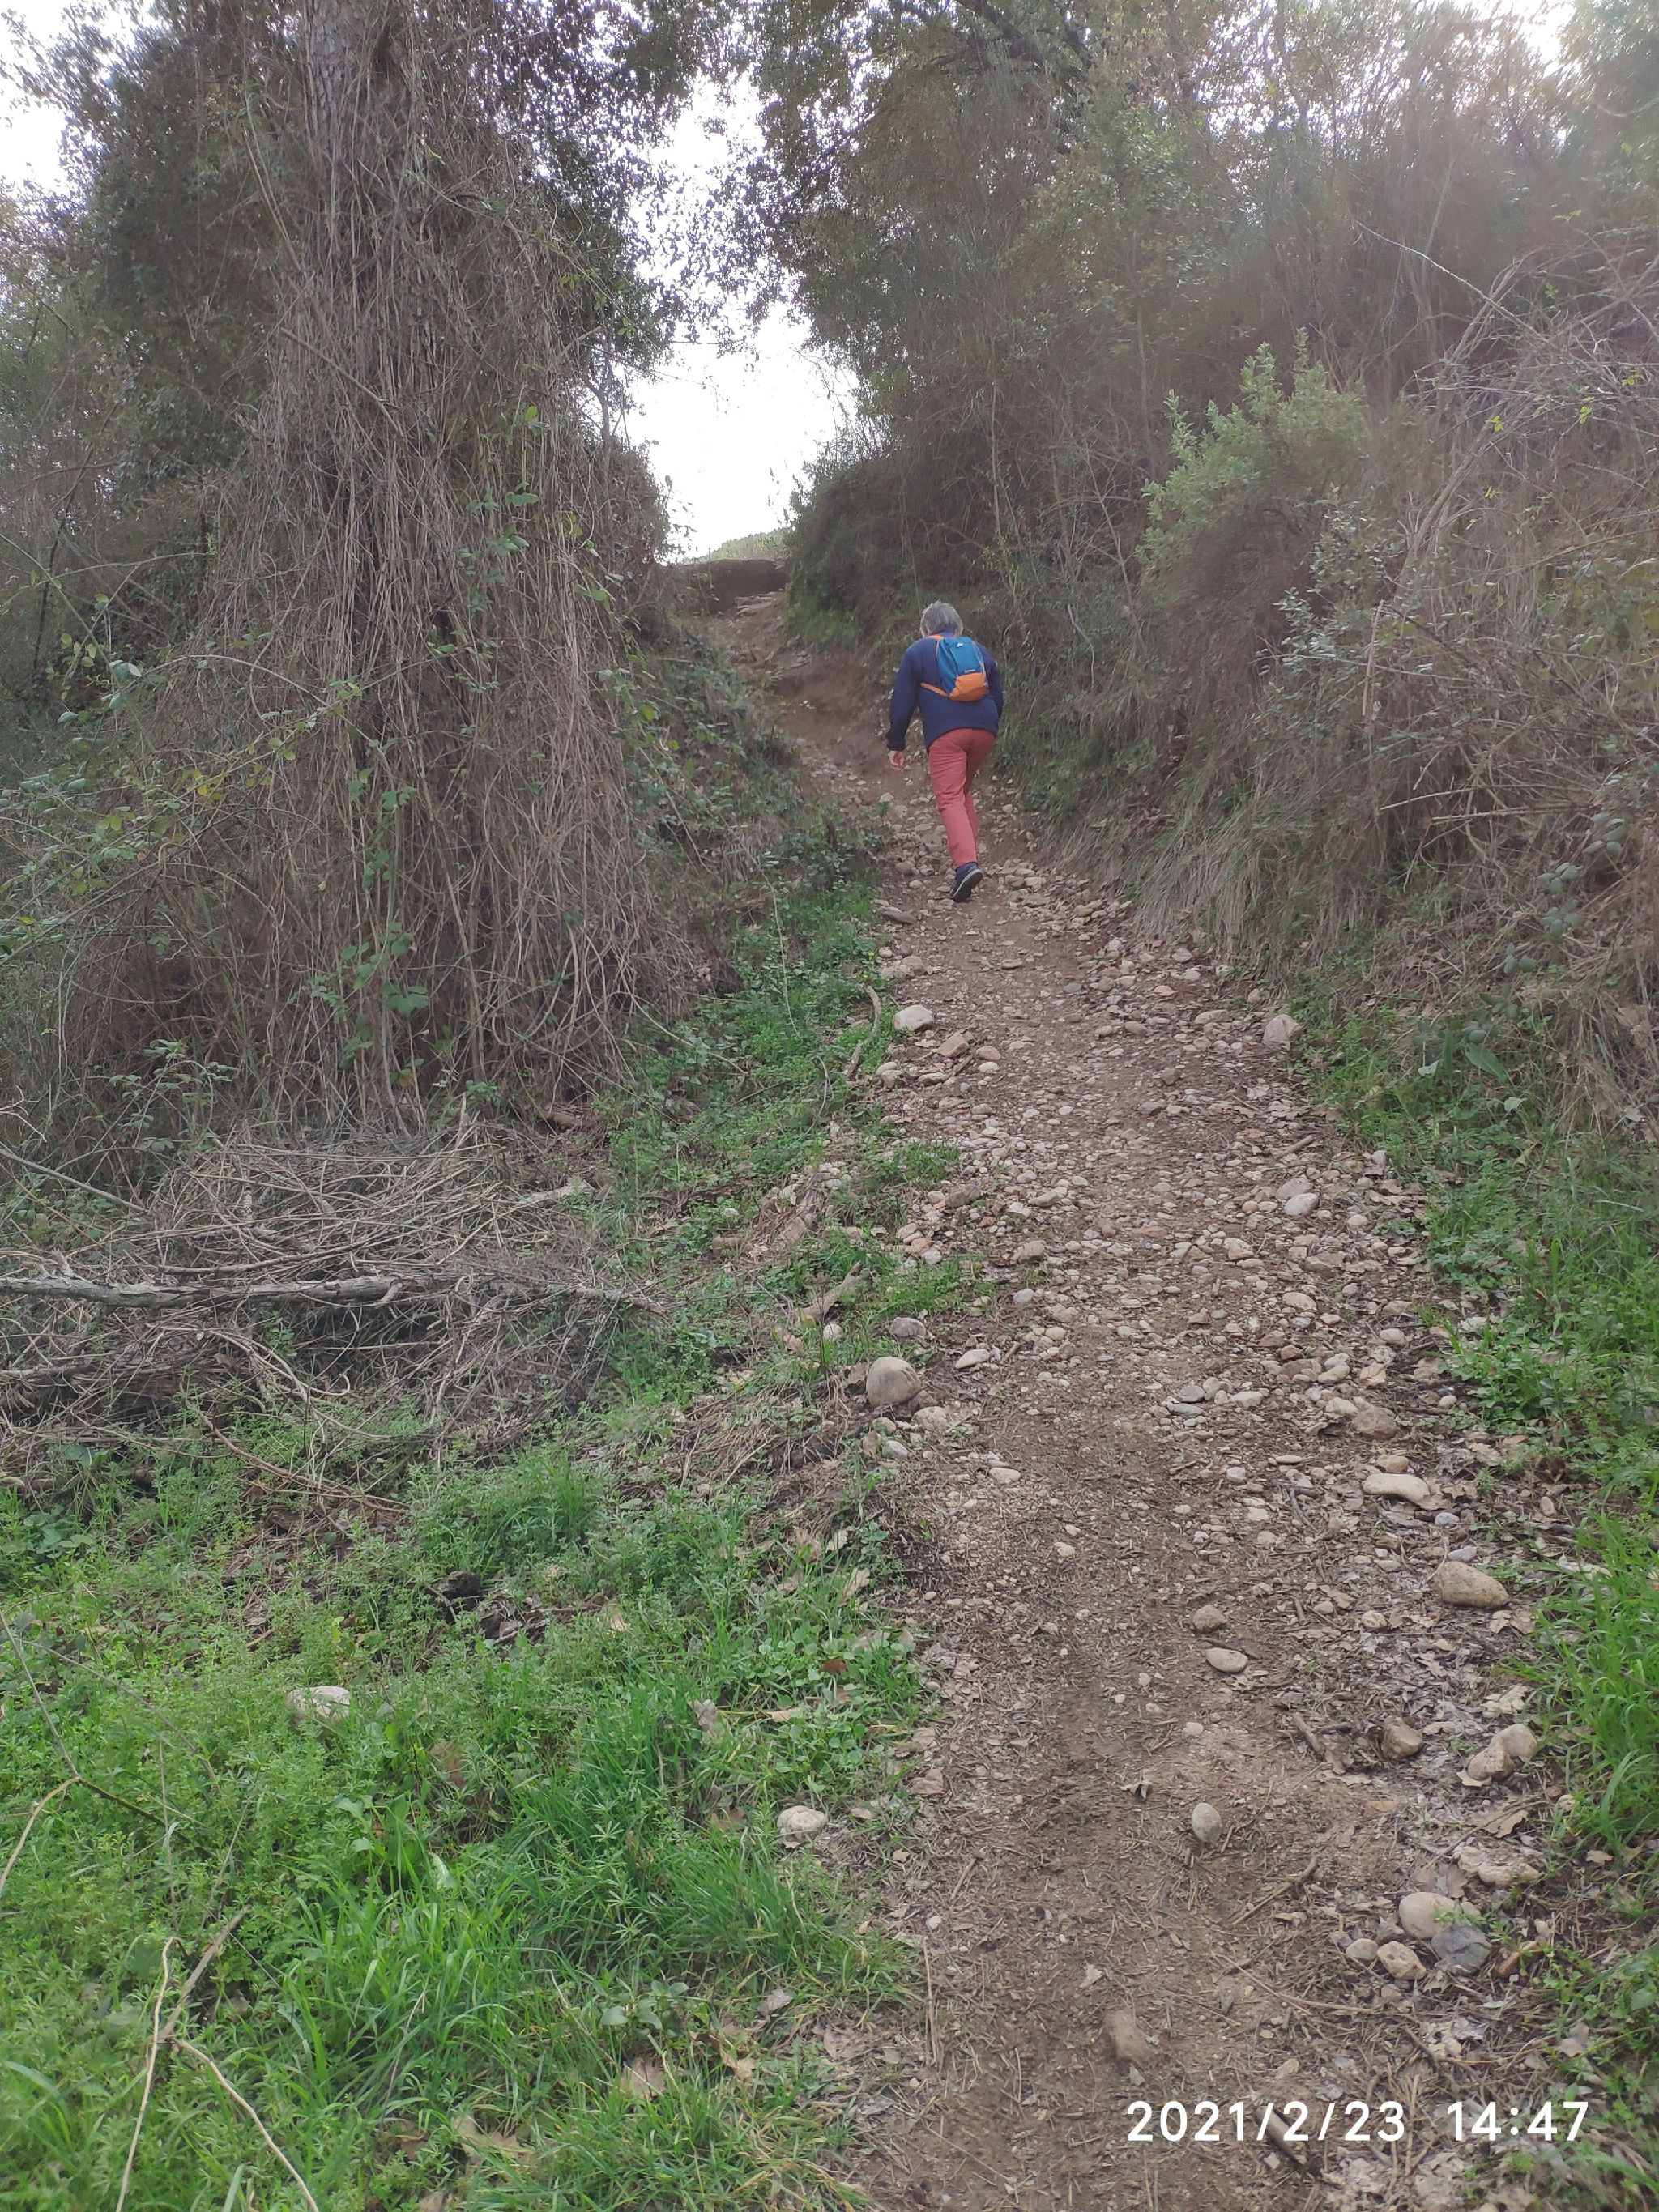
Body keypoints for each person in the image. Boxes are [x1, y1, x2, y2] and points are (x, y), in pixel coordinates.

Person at [886, 600, 1003, 901]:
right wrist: (988, 726)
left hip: (947, 733)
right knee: (962, 792)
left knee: (950, 797)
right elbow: (997, 692)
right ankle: (970, 858)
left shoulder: (918, 652)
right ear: (958, 627)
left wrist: (896, 743)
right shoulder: (978, 650)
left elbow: (902, 703)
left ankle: (965, 866)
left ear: (925, 629)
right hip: (985, 728)